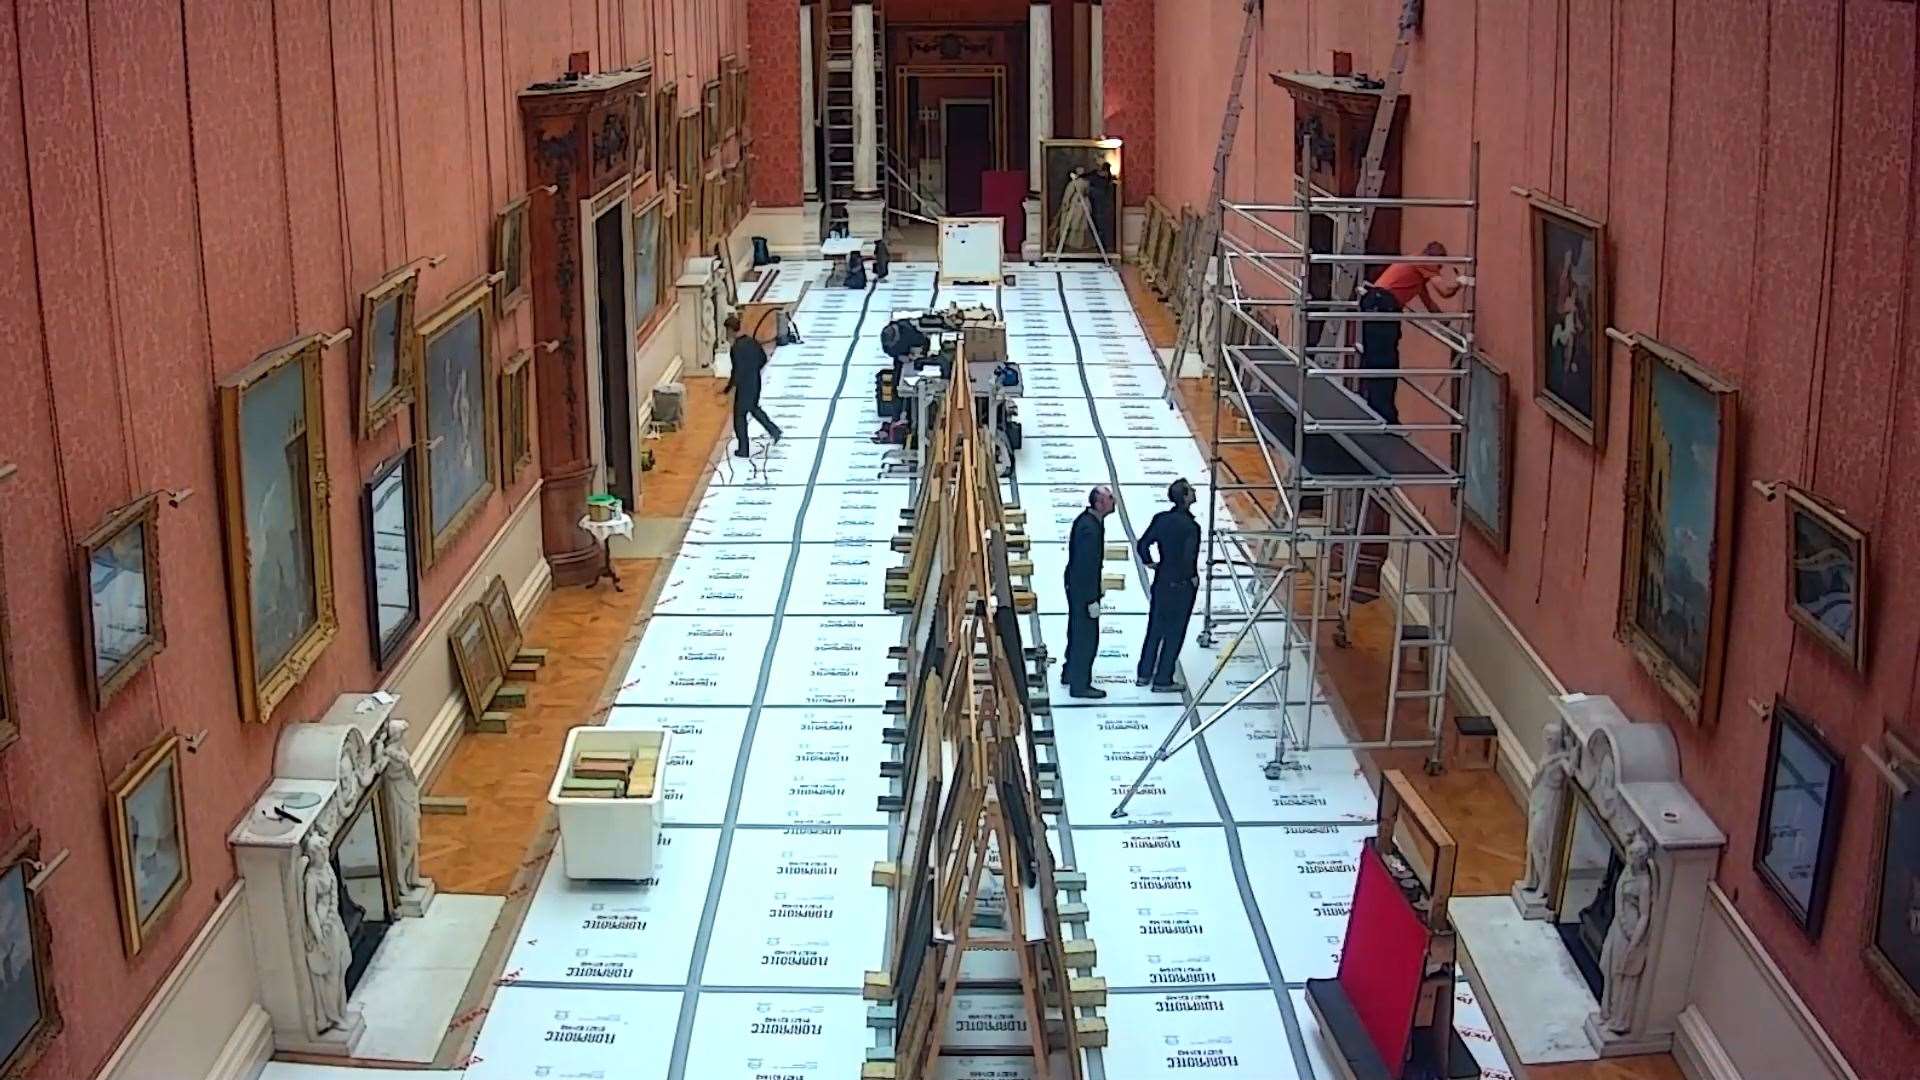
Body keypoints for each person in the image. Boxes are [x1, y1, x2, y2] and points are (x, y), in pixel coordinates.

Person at [1355, 241, 1462, 424]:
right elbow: (1444, 291)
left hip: (1374, 302)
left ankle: (1372, 404)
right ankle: (1384, 414)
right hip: (1384, 305)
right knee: (1385, 361)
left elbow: (1431, 306)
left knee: (1375, 357)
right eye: (1440, 264)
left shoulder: (1415, 270)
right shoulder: (1423, 263)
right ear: (1433, 258)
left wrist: (1447, 324)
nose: (1439, 269)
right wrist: (1461, 282)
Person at [1134, 479, 1202, 691]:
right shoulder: (1191, 527)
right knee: (1174, 632)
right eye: (1190, 490)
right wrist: (1191, 577)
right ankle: (1163, 678)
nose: (1194, 492)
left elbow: (1142, 544)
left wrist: (1151, 563)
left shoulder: (1161, 519)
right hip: (1180, 586)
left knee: (1155, 628)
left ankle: (1144, 673)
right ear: (1184, 497)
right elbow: (1188, 557)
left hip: (1162, 580)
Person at [1062, 486, 1115, 699]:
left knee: (1076, 629)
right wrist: (1091, 599)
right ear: (1099, 503)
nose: (1114, 501)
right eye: (1110, 498)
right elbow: (1085, 566)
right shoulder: (1089, 529)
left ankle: (1070, 672)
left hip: (1077, 585)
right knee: (1086, 636)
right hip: (1082, 589)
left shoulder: (1089, 522)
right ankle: (1080, 684)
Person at [724, 313, 782, 457]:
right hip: (755, 381)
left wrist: (729, 388)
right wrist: (753, 370)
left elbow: (736, 370)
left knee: (740, 416)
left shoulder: (736, 348)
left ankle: (744, 448)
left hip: (744, 386)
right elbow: (763, 358)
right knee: (753, 409)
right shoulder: (751, 341)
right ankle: (773, 430)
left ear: (730, 331)